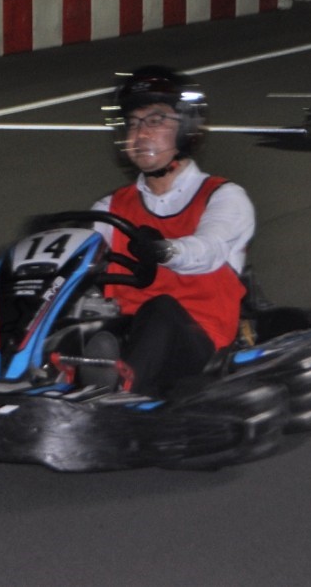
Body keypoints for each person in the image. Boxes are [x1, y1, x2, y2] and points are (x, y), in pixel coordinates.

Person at [88, 66, 255, 395]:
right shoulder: (110, 207)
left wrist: (164, 250)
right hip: (125, 332)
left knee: (160, 309)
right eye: (133, 123)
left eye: (155, 120)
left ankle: (118, 394)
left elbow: (208, 250)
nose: (141, 134)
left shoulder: (224, 197)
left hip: (200, 343)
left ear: (186, 128)